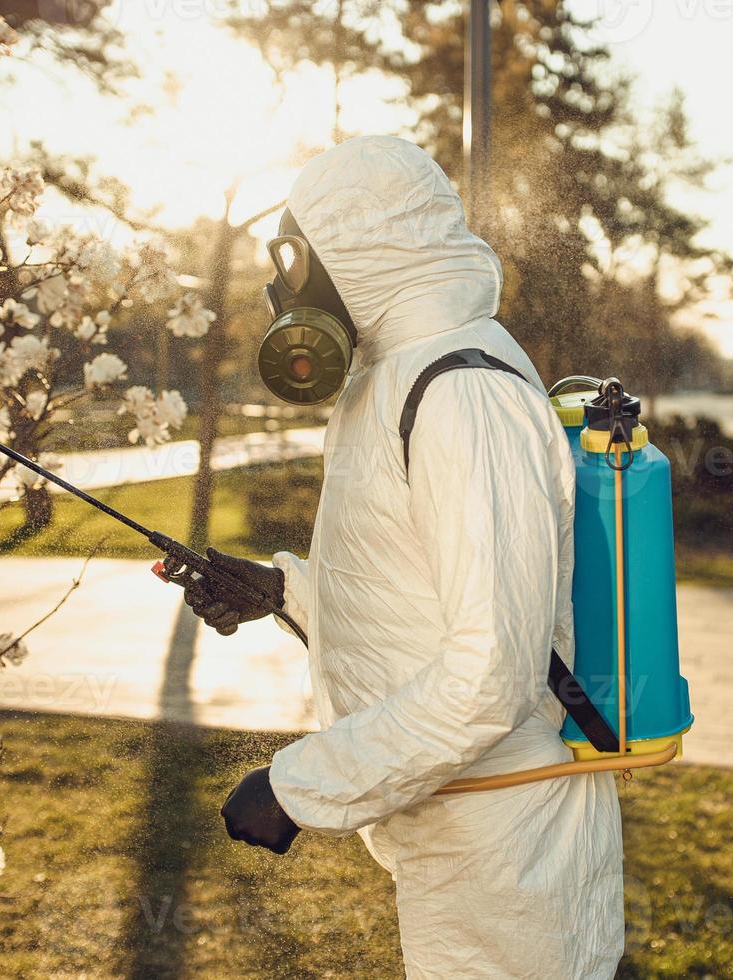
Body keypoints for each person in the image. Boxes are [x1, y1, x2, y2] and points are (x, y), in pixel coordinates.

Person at [181, 135, 624, 979]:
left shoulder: (465, 390)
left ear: (362, 249)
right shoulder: (395, 374)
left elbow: (493, 672)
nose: (281, 289)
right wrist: (282, 590)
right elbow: (412, 594)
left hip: (508, 856)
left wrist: (299, 785)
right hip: (459, 835)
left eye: (295, 259)